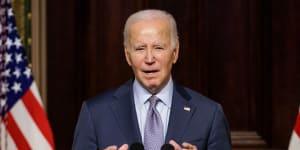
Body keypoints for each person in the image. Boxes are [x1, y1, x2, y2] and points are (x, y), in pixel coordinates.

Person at [72, 9, 231, 150]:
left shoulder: (209, 114)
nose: (149, 58)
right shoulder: (95, 114)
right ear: (128, 56)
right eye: (140, 48)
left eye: (158, 48)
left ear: (175, 53)